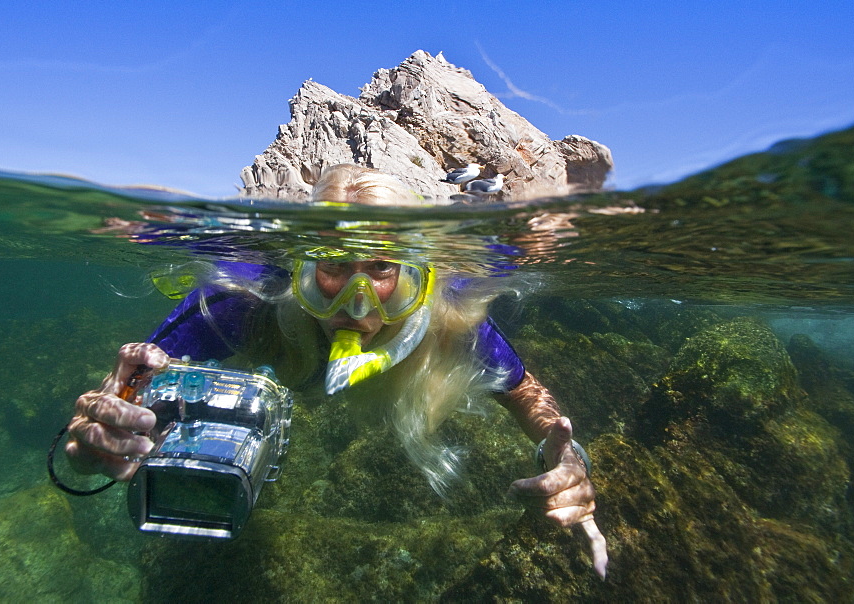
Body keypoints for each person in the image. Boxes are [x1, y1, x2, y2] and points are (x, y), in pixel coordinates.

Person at [65, 164, 608, 578]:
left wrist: (566, 454)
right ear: (300, 272)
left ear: (419, 277)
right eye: (333, 268)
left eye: (382, 269)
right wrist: (103, 432)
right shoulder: (243, 300)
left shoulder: (449, 319)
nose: (357, 304)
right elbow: (132, 385)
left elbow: (523, 393)